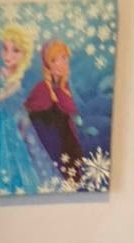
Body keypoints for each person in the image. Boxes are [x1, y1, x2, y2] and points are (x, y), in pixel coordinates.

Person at [0, 24, 60, 196]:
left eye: (15, 51)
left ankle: (13, 189)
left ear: (24, 55)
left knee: (13, 158)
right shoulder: (7, 75)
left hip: (10, 125)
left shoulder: (16, 82)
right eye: (5, 49)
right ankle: (3, 189)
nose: (8, 55)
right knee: (0, 157)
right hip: (3, 122)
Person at [25, 39, 85, 185]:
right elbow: (33, 125)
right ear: (48, 64)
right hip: (52, 153)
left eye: (65, 58)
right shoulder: (42, 89)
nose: (63, 63)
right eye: (56, 59)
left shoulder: (64, 87)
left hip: (68, 150)